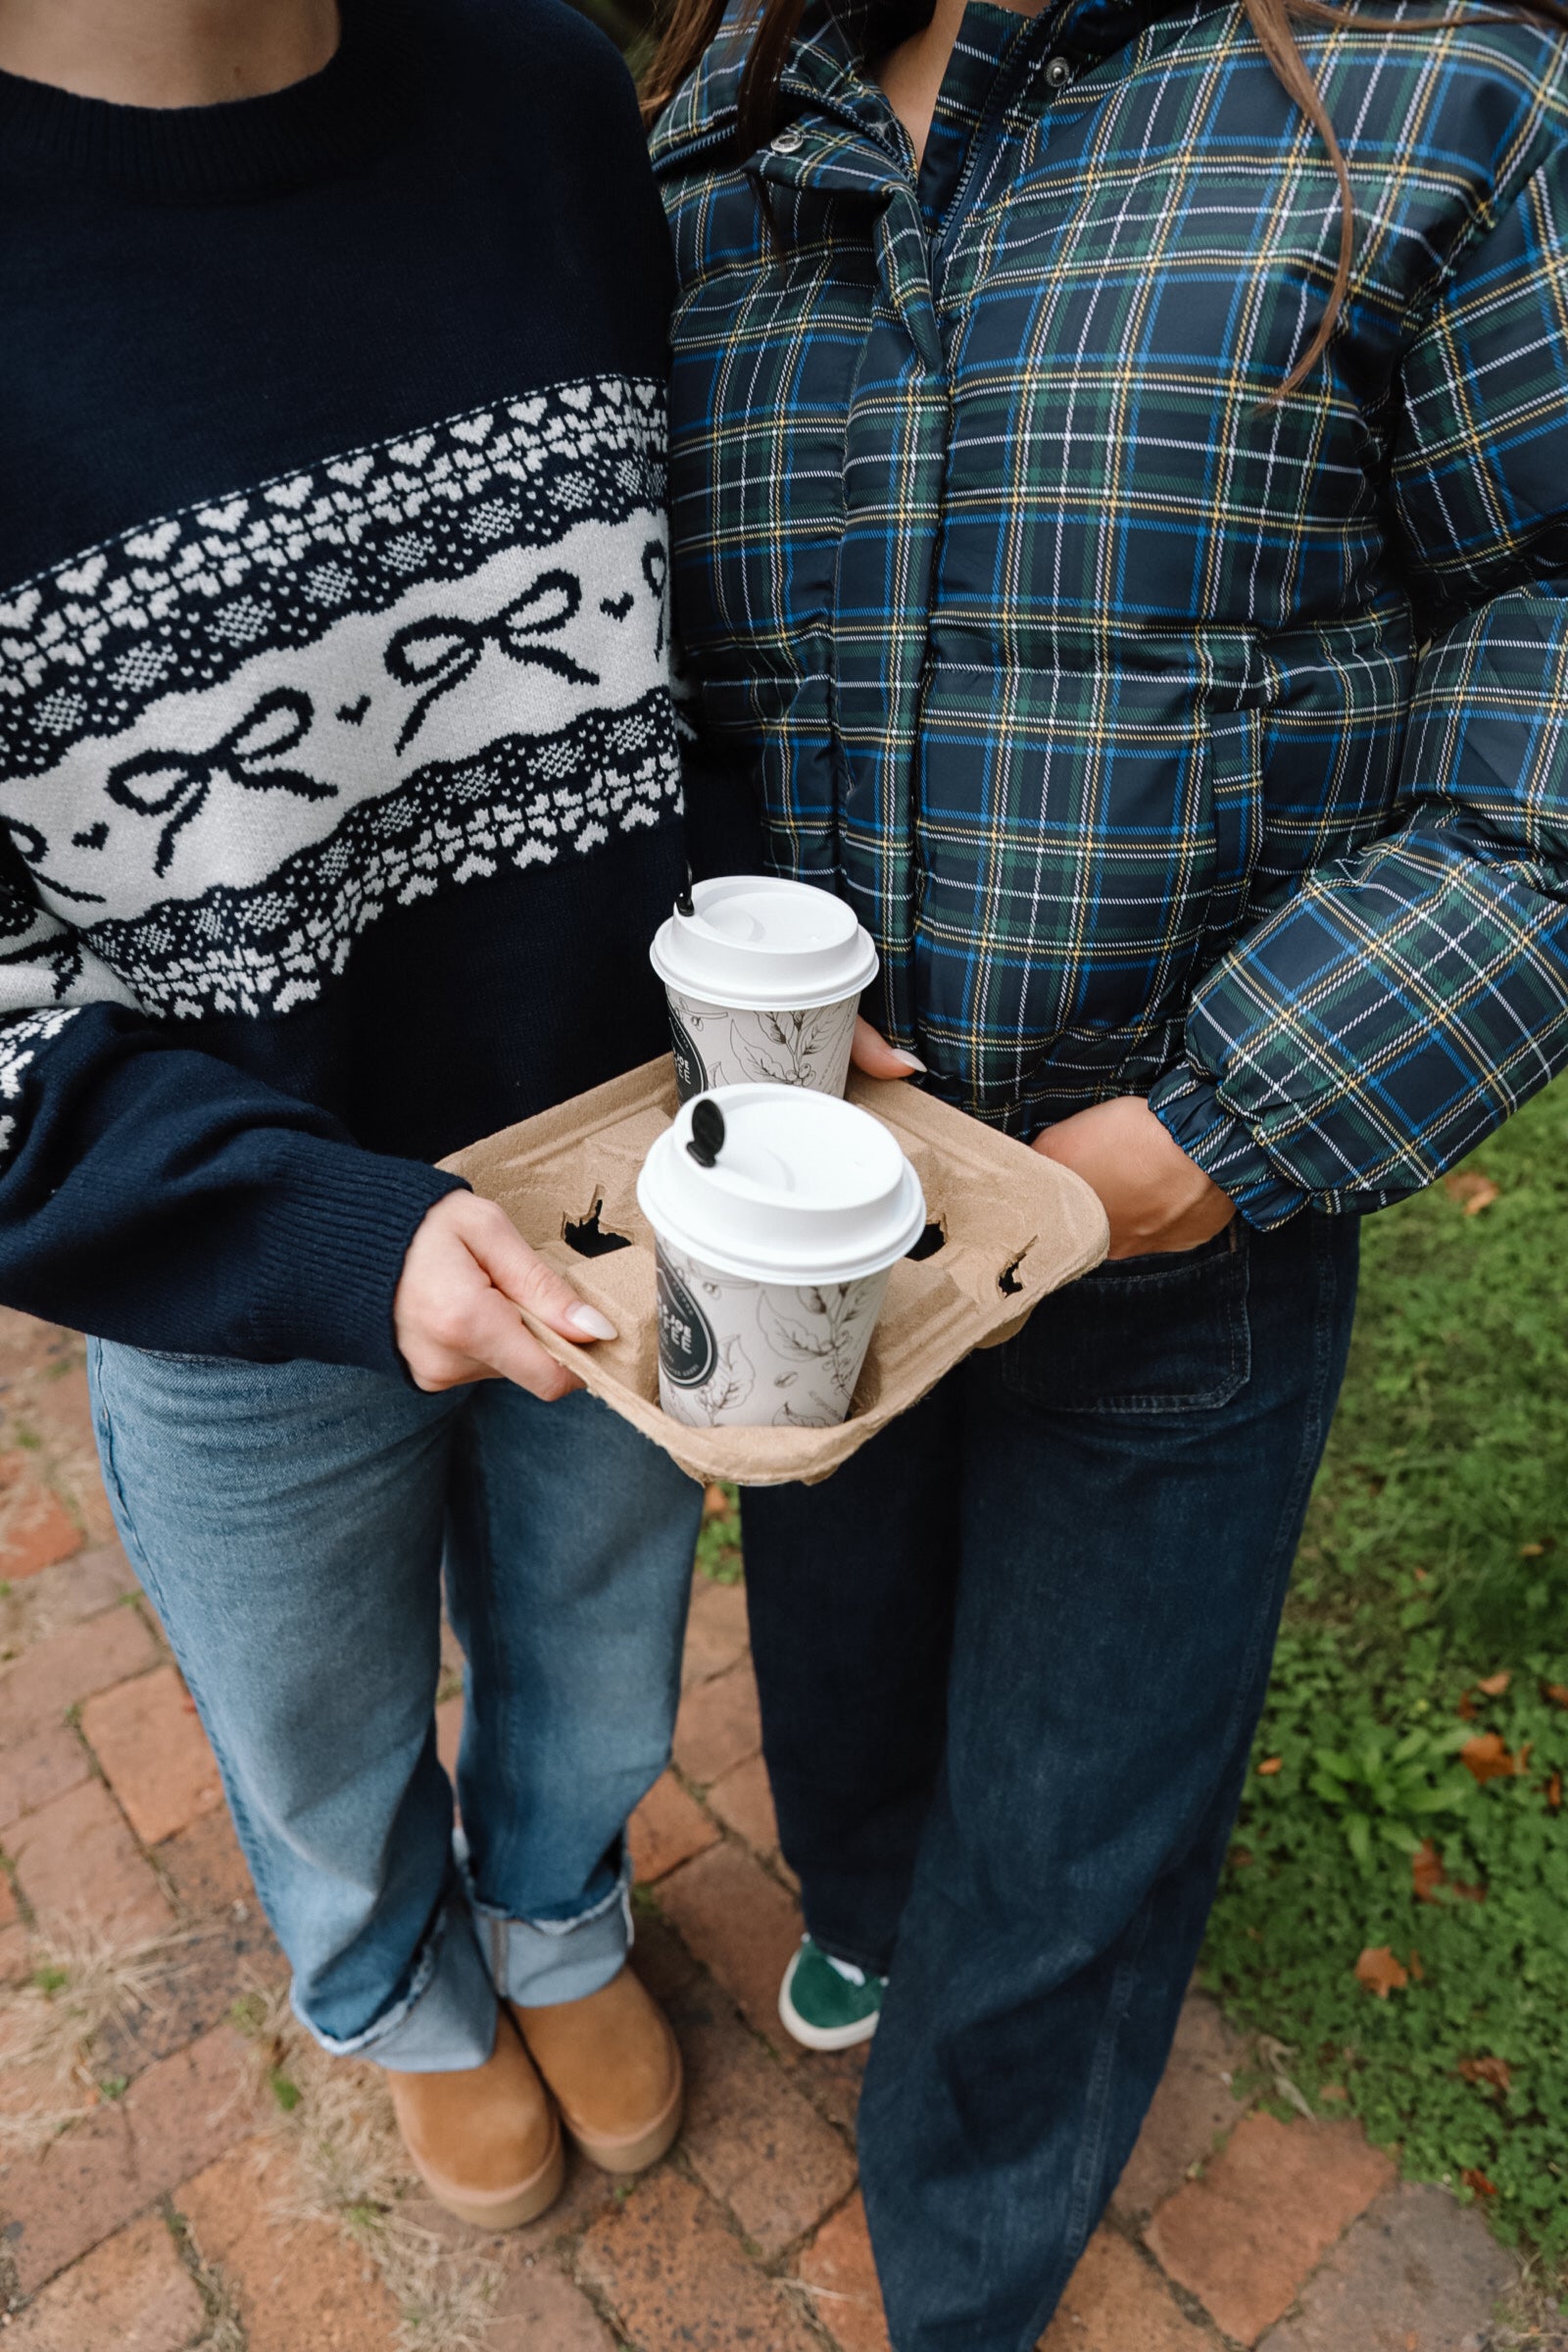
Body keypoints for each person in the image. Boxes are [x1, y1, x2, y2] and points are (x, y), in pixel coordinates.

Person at [645, 0, 1568, 2334]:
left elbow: (1545, 638)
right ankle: (867, 1902)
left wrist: (1221, 1129)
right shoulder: (719, 141)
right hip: (828, 1215)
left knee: (1072, 1813)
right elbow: (686, 667)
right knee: (839, 1658)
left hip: (1179, 1231)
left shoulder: (1429, 102)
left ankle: (964, 2255)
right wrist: (749, 980)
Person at [0, 0, 703, 2230]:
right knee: (309, 1717)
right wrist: (311, 1234)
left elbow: (682, 605)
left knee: (601, 1625)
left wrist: (762, 996)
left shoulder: (539, 97)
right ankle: (394, 1987)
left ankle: (557, 1911)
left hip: (621, 1168)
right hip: (229, 1256)